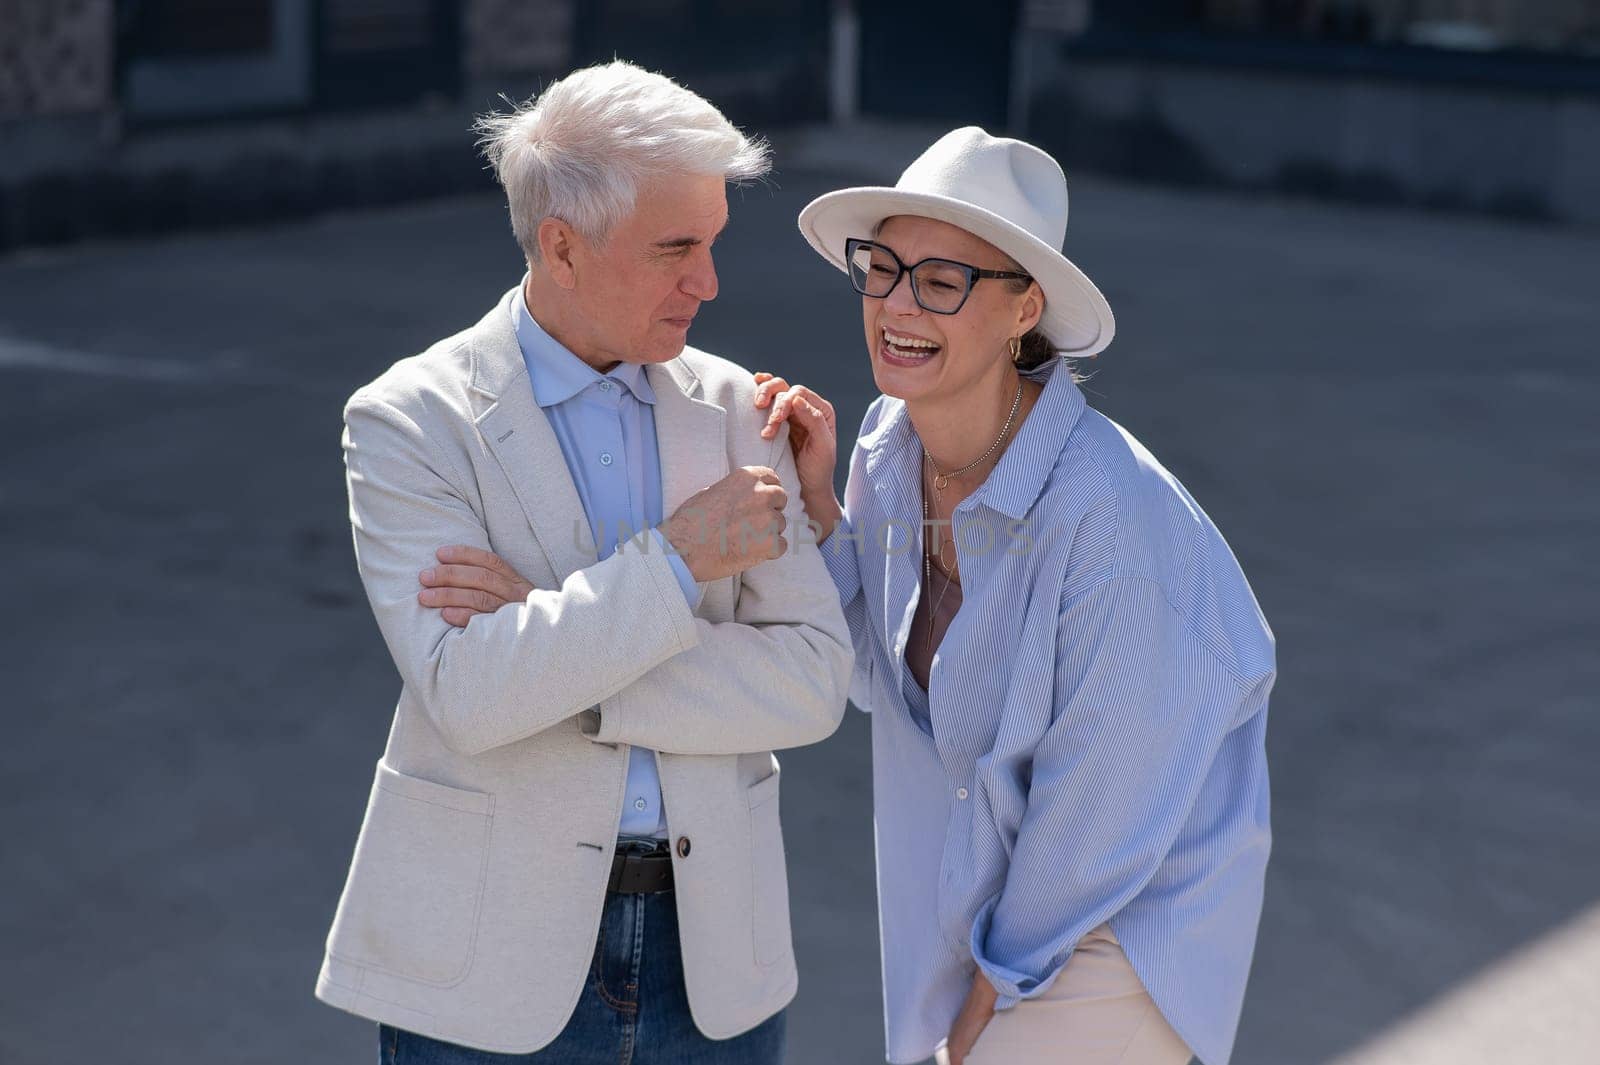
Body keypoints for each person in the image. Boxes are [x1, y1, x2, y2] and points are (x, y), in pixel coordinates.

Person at [313, 61, 853, 1065]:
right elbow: (470, 697)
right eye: (674, 250)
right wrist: (676, 564)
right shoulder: (410, 420)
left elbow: (815, 685)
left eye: (713, 243)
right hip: (483, 966)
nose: (709, 282)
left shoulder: (743, 408)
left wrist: (554, 640)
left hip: (713, 968)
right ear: (561, 246)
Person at [751, 127, 1276, 1065]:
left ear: (1024, 306)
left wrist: (985, 992)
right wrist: (824, 508)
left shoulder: (1107, 516)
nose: (899, 305)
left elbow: (1097, 803)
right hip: (989, 901)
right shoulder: (887, 447)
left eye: (942, 280)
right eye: (883, 268)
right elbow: (873, 677)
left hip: (1123, 915)